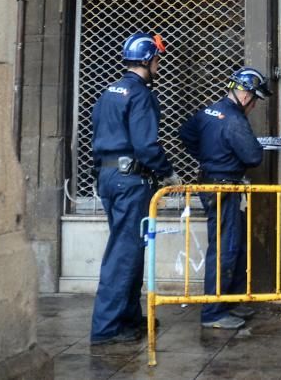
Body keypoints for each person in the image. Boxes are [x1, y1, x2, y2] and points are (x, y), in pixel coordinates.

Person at [90, 32, 182, 346]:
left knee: (130, 249)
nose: (159, 63)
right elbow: (146, 144)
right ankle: (107, 328)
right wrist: (168, 173)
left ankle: (128, 318)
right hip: (131, 181)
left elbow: (98, 135)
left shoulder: (109, 92)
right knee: (124, 253)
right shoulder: (140, 94)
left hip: (109, 177)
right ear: (147, 60)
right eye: (157, 58)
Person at [179, 66, 271, 329]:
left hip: (210, 181)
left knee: (235, 245)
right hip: (223, 188)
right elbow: (253, 156)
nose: (254, 106)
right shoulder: (235, 120)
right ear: (246, 96)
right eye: (255, 101)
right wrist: (223, 159)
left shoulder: (209, 111)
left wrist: (209, 157)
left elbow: (186, 135)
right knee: (225, 248)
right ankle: (214, 312)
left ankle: (230, 300)